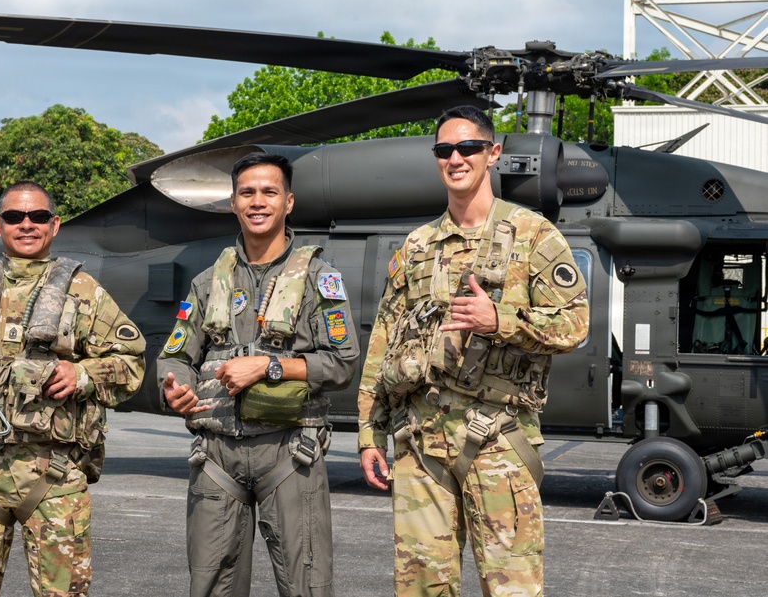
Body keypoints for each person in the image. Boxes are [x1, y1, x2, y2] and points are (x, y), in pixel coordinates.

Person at [357, 105, 589, 597]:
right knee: (421, 589)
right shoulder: (418, 245)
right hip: (419, 444)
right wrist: (367, 433)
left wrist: (498, 320)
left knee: (512, 590)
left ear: (493, 153)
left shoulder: (533, 235)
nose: (456, 158)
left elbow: (575, 325)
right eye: (444, 150)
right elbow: (383, 341)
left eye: (468, 148)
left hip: (498, 443)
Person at [0, 181, 146, 597]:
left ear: (54, 225)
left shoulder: (84, 294)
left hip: (54, 478)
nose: (26, 225)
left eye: (37, 216)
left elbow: (132, 362)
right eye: (15, 217)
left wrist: (82, 375)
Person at [158, 151, 359, 597]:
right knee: (210, 585)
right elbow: (176, 355)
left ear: (288, 202)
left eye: (269, 192)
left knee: (307, 585)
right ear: (233, 202)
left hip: (290, 454)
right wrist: (175, 388)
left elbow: (343, 362)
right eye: (246, 192)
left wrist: (270, 366)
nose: (257, 201)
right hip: (215, 456)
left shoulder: (319, 280)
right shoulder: (209, 283)